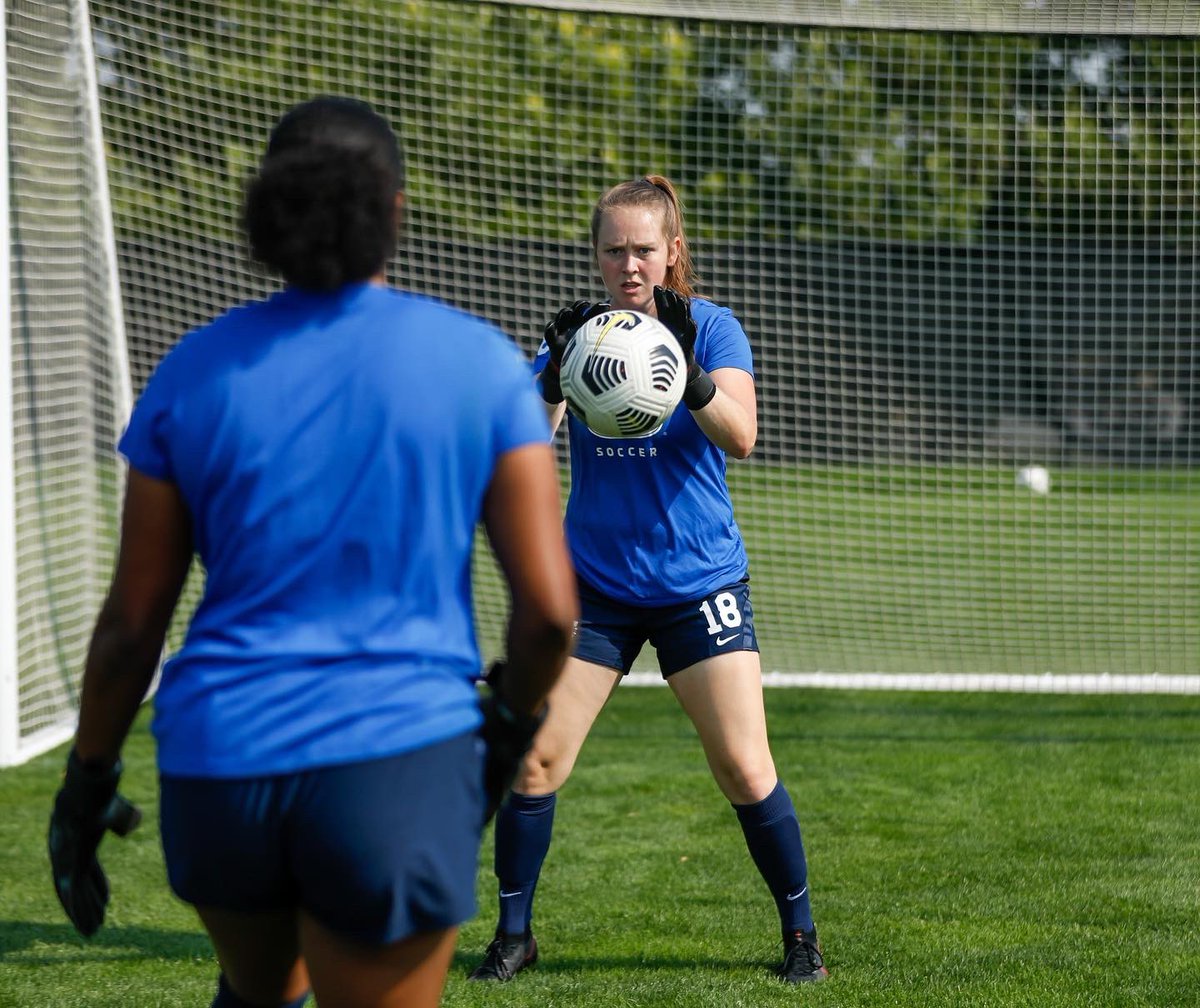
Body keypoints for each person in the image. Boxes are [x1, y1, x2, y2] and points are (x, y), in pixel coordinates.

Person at [47, 95, 577, 1008]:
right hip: (396, 765)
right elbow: (550, 617)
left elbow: (133, 630)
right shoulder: (478, 364)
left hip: (219, 769)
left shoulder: (194, 369)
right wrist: (504, 731)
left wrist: (85, 785)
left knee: (258, 995)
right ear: (397, 211)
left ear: (270, 204)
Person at [468, 175, 828, 986]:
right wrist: (554, 372)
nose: (628, 265)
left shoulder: (712, 327)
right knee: (535, 762)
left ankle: (801, 933)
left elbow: (742, 434)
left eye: (643, 249)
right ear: (596, 256)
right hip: (595, 588)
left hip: (699, 584)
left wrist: (689, 373)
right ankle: (515, 935)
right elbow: (522, 447)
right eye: (613, 250)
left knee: (743, 766)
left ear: (672, 251)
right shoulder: (583, 337)